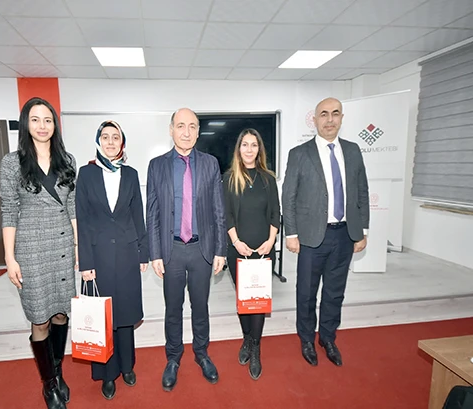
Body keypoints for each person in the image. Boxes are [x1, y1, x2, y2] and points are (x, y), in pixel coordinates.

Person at [0, 97, 77, 409]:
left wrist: (78, 247)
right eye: (35, 119)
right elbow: (8, 210)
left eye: (48, 120)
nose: (42, 126)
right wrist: (9, 258)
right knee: (40, 318)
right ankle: (48, 384)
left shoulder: (67, 160)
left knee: (60, 313)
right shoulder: (12, 162)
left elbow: (72, 206)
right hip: (30, 250)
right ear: (26, 124)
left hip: (62, 246)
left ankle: (57, 371)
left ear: (55, 124)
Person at [281, 97, 369, 367]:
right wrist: (291, 233)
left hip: (345, 234)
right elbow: (289, 196)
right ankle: (307, 339)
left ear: (341, 118)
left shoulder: (353, 151)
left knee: (335, 291)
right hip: (311, 237)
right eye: (324, 114)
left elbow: (362, 192)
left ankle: (328, 338)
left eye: (335, 114)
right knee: (306, 293)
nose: (330, 119)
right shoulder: (299, 153)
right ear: (315, 119)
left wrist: (362, 230)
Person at [146, 108, 226, 391]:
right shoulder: (157, 166)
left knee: (200, 306)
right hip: (172, 251)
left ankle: (202, 353)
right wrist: (155, 252)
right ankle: (173, 358)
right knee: (173, 308)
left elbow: (218, 209)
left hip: (202, 249)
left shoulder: (210, 164)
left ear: (198, 131)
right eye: (181, 125)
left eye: (192, 126)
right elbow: (152, 212)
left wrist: (221, 250)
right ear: (171, 130)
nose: (186, 132)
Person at [76, 120, 149, 400]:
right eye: (105, 137)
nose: (110, 142)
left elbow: (137, 214)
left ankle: (127, 366)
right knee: (103, 315)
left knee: (126, 314)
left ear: (122, 143)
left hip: (128, 253)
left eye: (115, 137)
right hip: (99, 256)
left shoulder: (130, 174)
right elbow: (82, 219)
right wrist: (86, 263)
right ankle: (107, 374)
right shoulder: (86, 174)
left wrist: (143, 251)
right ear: (98, 142)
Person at [223, 129, 280, 380]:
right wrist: (236, 242)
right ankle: (247, 338)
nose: (249, 149)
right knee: (244, 299)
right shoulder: (228, 179)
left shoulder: (268, 179)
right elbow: (226, 215)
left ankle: (255, 347)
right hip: (238, 251)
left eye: (253, 145)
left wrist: (271, 241)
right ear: (239, 149)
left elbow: (275, 213)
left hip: (264, 251)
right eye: (244, 144)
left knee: (258, 302)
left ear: (259, 149)